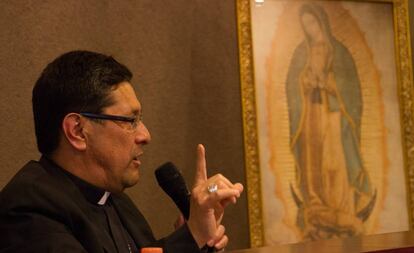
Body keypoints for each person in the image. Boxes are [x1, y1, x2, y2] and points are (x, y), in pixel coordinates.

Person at [0, 50, 244, 252]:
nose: (145, 135)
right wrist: (189, 239)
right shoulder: (28, 208)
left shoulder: (114, 198)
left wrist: (200, 237)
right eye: (130, 120)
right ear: (77, 131)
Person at [285, 4, 374, 240]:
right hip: (310, 115)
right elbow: (292, 86)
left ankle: (340, 211)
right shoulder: (300, 54)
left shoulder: (339, 52)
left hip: (333, 116)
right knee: (313, 162)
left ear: (321, 22)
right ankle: (316, 210)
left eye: (312, 23)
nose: (310, 29)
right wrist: (305, 82)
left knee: (334, 163)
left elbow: (351, 91)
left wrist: (329, 84)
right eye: (305, 25)